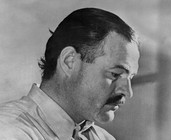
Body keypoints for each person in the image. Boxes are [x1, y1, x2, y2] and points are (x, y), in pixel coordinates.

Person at [0, 7, 140, 140]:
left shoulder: (103, 138)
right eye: (115, 74)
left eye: (130, 78)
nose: (128, 92)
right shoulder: (8, 131)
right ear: (69, 61)